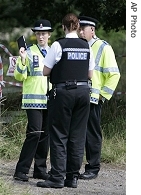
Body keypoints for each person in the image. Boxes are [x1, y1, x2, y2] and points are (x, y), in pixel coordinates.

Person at [36, 13, 96, 189]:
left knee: (59, 135)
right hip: (84, 92)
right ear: (78, 27)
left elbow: (45, 71)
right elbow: (90, 74)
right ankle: (72, 178)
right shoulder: (86, 46)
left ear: (63, 27)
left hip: (63, 93)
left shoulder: (58, 45)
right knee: (77, 137)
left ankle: (57, 177)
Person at [78, 16, 121, 180]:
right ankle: (74, 167)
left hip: (94, 99)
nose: (81, 32)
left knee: (92, 134)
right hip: (78, 97)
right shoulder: (79, 46)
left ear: (92, 30)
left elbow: (114, 75)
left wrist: (103, 95)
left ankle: (93, 168)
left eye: (84, 29)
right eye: (79, 29)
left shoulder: (103, 48)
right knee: (76, 134)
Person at [13, 19, 53, 182]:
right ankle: (21, 170)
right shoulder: (28, 52)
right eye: (38, 34)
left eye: (43, 34)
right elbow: (19, 76)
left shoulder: (54, 52)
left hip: (50, 100)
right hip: (33, 100)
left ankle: (40, 170)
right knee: (34, 134)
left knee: (45, 135)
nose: (41, 36)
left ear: (49, 35)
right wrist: (22, 59)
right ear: (35, 35)